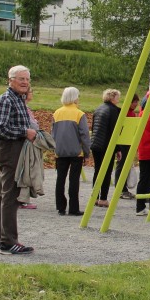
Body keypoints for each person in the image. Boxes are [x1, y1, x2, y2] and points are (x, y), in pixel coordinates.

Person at [0, 65, 36, 255]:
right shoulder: (7, 100)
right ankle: (8, 242)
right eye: (21, 79)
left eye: (27, 79)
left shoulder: (18, 99)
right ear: (10, 80)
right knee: (10, 196)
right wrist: (25, 132)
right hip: (10, 149)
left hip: (16, 148)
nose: (25, 82)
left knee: (3, 194)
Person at [52, 87, 92, 217]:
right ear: (75, 97)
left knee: (60, 179)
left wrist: (55, 149)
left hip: (60, 151)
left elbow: (53, 134)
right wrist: (87, 152)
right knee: (74, 180)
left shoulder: (56, 113)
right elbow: (84, 135)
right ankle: (73, 208)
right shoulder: (79, 114)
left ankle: (60, 207)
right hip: (76, 152)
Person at [90, 89, 122, 207]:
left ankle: (95, 197)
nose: (119, 99)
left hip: (96, 143)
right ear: (113, 98)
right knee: (107, 171)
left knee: (97, 170)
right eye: (117, 97)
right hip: (107, 144)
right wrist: (118, 149)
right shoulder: (114, 111)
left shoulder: (99, 108)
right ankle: (103, 198)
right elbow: (115, 131)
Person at [112, 94, 141, 200]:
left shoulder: (132, 113)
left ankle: (123, 189)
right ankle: (120, 190)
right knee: (121, 164)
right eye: (134, 102)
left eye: (137, 102)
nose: (136, 104)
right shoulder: (123, 112)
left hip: (129, 141)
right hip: (122, 142)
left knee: (125, 165)